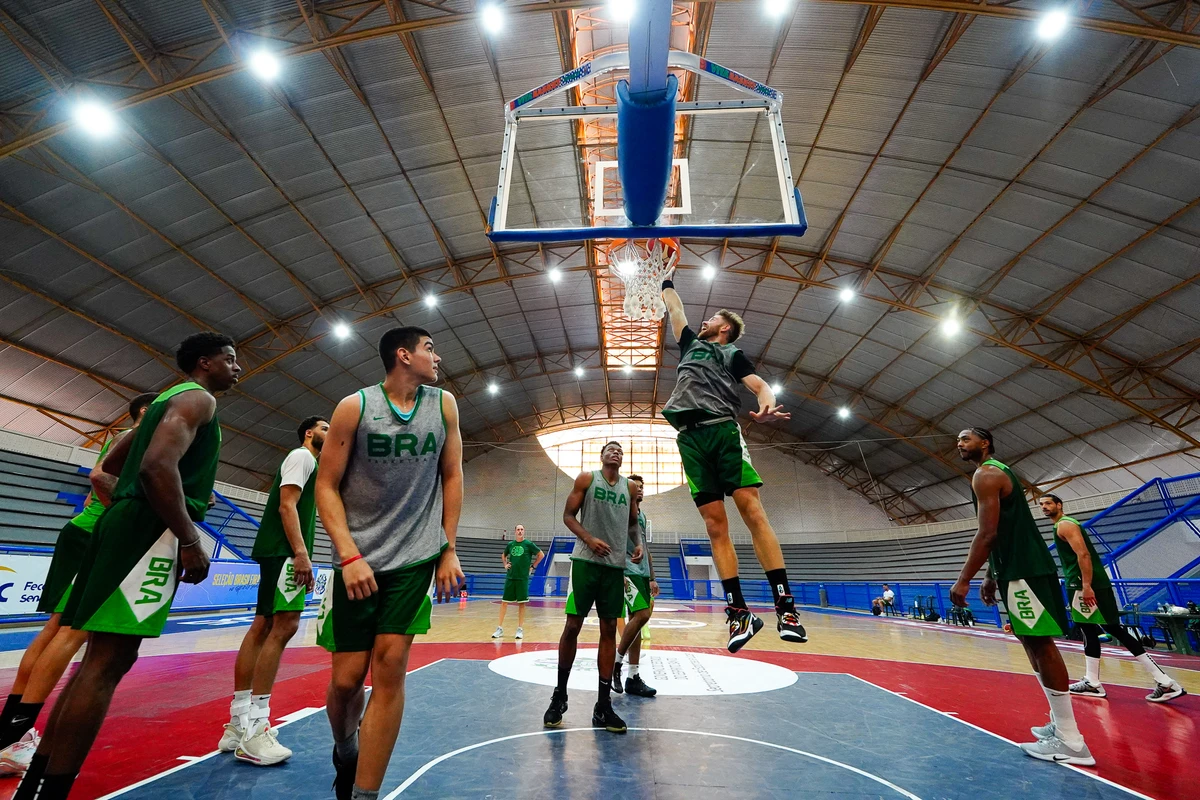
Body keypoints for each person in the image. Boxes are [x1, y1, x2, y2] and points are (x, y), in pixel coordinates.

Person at [15, 332, 238, 800]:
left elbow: (112, 463)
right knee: (108, 663)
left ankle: (37, 783)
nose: (237, 369)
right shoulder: (198, 399)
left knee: (93, 661)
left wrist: (128, 510)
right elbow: (157, 467)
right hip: (147, 530)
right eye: (230, 360)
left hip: (120, 524)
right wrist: (188, 537)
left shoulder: (164, 400)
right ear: (205, 363)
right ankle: (52, 790)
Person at [315, 326, 464, 800]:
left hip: (414, 554)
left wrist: (447, 546)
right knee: (344, 683)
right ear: (403, 355)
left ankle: (365, 794)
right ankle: (345, 748)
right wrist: (349, 555)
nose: (436, 356)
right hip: (357, 559)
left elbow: (453, 475)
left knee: (391, 663)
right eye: (429, 348)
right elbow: (326, 486)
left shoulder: (443, 406)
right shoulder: (354, 407)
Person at [0, 392, 156, 776]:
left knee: (56, 628)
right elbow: (100, 479)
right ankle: (15, 740)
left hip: (82, 532)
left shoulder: (128, 437)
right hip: (93, 535)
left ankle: (7, 735)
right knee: (71, 630)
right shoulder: (138, 435)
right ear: (145, 412)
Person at [660, 277, 805, 652]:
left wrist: (768, 405)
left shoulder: (731, 354)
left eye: (712, 318)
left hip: (722, 431)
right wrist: (665, 275)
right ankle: (739, 613)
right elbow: (674, 308)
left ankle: (786, 608)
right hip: (689, 439)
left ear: (724, 328)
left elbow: (759, 386)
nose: (703, 320)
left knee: (752, 511)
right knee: (714, 526)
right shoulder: (691, 343)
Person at [950, 427, 1094, 766]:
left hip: (1025, 570)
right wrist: (991, 575)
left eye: (965, 439)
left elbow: (987, 534)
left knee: (1042, 645)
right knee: (1031, 643)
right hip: (1014, 569)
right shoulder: (990, 473)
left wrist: (964, 579)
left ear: (984, 443)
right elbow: (1003, 532)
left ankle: (1072, 741)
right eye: (957, 440)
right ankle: (1060, 727)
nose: (959, 444)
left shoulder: (988, 474)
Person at [218, 415, 330, 765]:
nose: (331, 432)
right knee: (284, 626)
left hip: (277, 551)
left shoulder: (311, 462)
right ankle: (255, 728)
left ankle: (238, 723)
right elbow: (286, 505)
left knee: (264, 626)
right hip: (284, 551)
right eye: (325, 428)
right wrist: (300, 553)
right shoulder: (303, 456)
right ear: (310, 433)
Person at [1039, 494, 1184, 703]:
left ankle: (1165, 681)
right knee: (1090, 629)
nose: (1044, 507)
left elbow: (1084, 555)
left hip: (1084, 584)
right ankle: (1093, 682)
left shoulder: (1065, 525)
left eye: (1048, 503)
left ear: (1059, 505)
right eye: (1041, 504)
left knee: (1110, 629)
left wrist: (1087, 585)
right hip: (1083, 583)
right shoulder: (1062, 525)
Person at [543, 442, 641, 734]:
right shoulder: (587, 479)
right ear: (601, 457)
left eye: (621, 450)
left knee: (609, 630)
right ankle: (559, 695)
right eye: (611, 449)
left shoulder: (630, 488)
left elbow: (633, 523)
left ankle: (603, 705)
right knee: (573, 626)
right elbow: (568, 516)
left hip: (614, 567)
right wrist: (589, 539)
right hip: (584, 562)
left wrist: (637, 545)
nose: (616, 452)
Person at [613, 475, 658, 698]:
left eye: (642, 487)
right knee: (641, 615)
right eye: (635, 487)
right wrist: (619, 569)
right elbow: (614, 541)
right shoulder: (622, 512)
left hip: (641, 574)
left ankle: (633, 677)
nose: (639, 490)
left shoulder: (642, 515)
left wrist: (652, 577)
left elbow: (645, 546)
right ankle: (616, 662)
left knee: (637, 622)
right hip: (627, 571)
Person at [492, 525, 543, 640]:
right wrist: (505, 564)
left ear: (524, 531)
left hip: (522, 578)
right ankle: (499, 628)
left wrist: (533, 566)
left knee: (521, 603)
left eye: (522, 529)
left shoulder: (528, 544)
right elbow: (503, 555)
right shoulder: (510, 545)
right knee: (504, 602)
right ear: (515, 532)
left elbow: (541, 554)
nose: (520, 531)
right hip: (511, 577)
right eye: (518, 530)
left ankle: (520, 629)